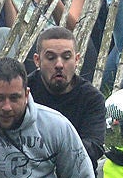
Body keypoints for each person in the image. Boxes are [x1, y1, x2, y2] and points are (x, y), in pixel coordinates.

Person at [26, 26, 106, 163]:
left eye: (66, 57)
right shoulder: (24, 92)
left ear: (77, 60)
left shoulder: (92, 98)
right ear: (37, 60)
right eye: (51, 57)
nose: (59, 64)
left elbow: (94, 147)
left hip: (75, 171)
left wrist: (56, 151)